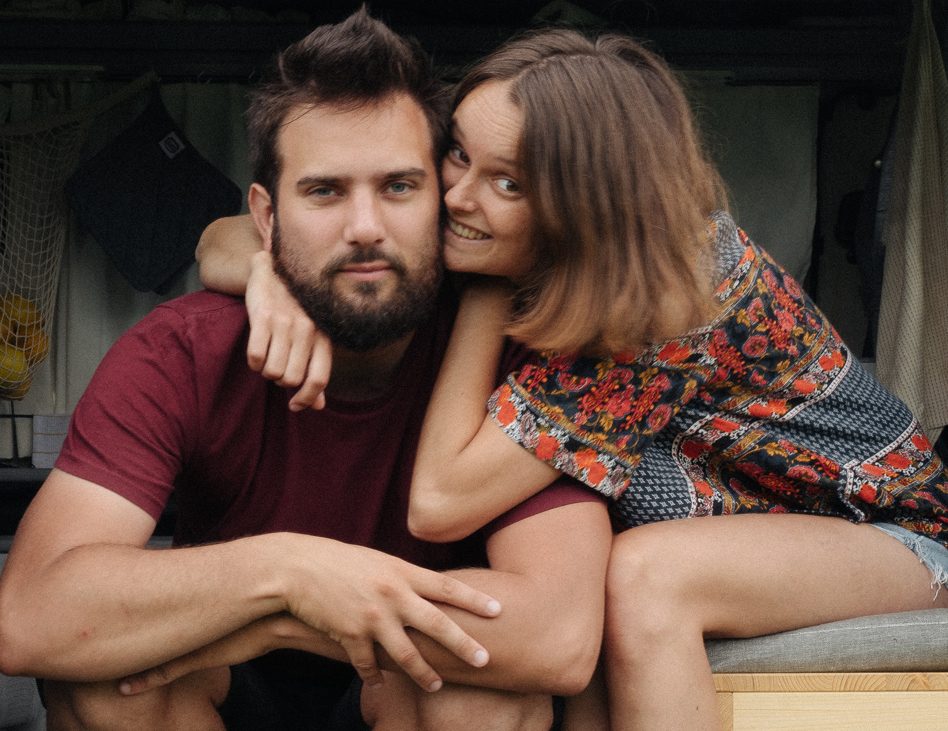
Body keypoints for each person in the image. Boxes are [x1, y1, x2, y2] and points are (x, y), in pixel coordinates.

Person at [198, 23, 948, 731]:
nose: (457, 198)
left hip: (892, 536)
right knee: (582, 585)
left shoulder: (672, 297)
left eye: (508, 183)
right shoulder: (510, 233)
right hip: (739, 525)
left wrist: (486, 296)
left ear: (584, 205)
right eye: (457, 155)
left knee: (647, 575)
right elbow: (224, 238)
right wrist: (271, 277)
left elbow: (438, 502)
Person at [0, 10, 612, 731]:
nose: (365, 227)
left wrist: (308, 608)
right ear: (265, 217)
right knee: (106, 684)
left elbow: (557, 637)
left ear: (444, 204)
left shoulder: (521, 356)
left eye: (399, 186)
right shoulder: (181, 352)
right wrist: (290, 573)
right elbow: (31, 616)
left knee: (482, 698)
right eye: (325, 191)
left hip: (407, 682)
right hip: (220, 687)